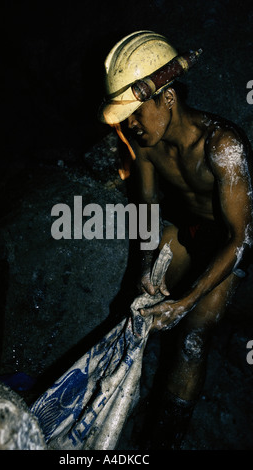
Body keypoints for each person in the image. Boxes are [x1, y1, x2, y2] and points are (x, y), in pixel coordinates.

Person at [99, 31, 253, 449]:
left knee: (192, 334)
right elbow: (147, 207)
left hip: (232, 244)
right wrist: (146, 266)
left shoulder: (223, 146)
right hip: (190, 229)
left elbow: (240, 238)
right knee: (140, 300)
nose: (130, 124)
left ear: (166, 98)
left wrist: (186, 301)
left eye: (135, 112)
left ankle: (165, 437)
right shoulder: (145, 145)